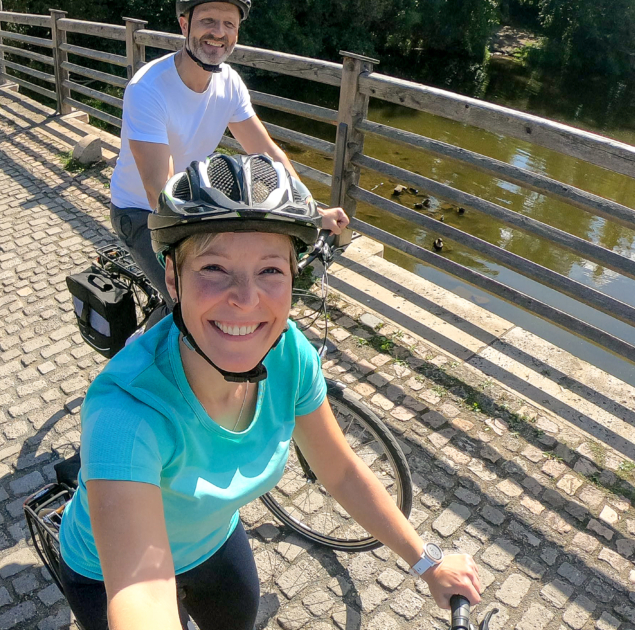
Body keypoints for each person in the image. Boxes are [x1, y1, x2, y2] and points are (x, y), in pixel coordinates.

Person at [57, 153, 482, 630]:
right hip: (102, 571)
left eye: (271, 271)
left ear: (294, 278)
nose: (245, 299)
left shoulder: (288, 355)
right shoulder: (126, 410)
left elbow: (339, 471)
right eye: (214, 268)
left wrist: (427, 560)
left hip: (212, 538)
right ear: (173, 279)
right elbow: (140, 597)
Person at [109, 0, 349, 309]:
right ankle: (144, 349)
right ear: (185, 25)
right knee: (191, 305)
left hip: (193, 203)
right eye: (208, 20)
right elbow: (159, 190)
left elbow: (266, 152)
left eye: (229, 24)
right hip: (141, 212)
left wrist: (310, 211)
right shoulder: (148, 90)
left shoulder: (229, 83)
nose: (218, 33)